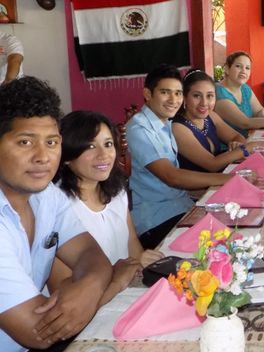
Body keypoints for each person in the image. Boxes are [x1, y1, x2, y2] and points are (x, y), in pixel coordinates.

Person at [0, 77, 112, 351]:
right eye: (25, 142)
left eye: (51, 142)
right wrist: (114, 281)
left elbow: (91, 255)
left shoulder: (47, 195)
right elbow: (38, 332)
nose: (43, 156)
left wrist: (93, 282)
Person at [48, 111, 164, 307]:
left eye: (108, 144)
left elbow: (132, 246)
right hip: (88, 314)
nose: (104, 155)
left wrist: (141, 259)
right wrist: (118, 280)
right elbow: (66, 302)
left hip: (122, 295)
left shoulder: (116, 190)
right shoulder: (57, 208)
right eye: (91, 146)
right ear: (67, 155)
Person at [126, 64, 230, 249]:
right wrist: (226, 179)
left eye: (178, 93)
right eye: (165, 92)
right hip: (157, 218)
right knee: (220, 246)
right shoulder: (139, 129)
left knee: (233, 220)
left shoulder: (165, 123)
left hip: (181, 204)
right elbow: (171, 176)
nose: (173, 100)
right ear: (148, 94)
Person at [174, 69, 264, 172]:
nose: (204, 103)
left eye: (209, 96)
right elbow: (212, 164)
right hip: (201, 187)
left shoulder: (210, 116)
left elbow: (236, 136)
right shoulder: (178, 128)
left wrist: (237, 145)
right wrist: (247, 148)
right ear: (184, 98)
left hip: (222, 178)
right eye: (196, 96)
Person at [214, 52, 264, 137]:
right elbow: (245, 123)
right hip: (230, 145)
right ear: (227, 69)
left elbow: (258, 111)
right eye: (238, 66)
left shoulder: (245, 88)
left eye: (247, 68)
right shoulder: (219, 92)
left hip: (251, 138)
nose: (244, 71)